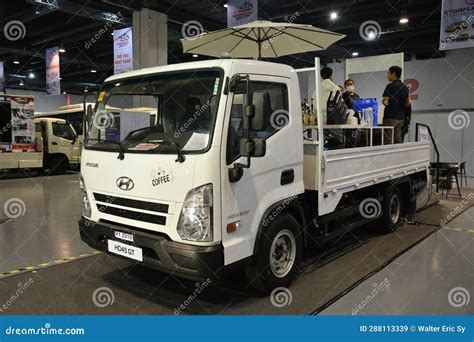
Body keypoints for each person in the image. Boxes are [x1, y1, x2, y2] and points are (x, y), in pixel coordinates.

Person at [382, 66, 410, 144]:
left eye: (388, 73)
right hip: (401, 118)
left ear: (393, 74)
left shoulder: (390, 86)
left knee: (388, 140)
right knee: (398, 139)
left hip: (390, 117)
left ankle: (388, 156)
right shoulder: (405, 87)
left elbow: (385, 101)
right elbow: (407, 103)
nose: (387, 75)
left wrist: (385, 102)